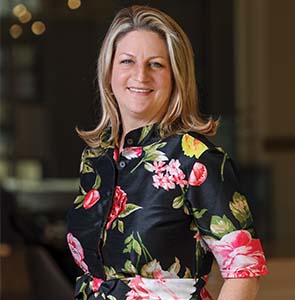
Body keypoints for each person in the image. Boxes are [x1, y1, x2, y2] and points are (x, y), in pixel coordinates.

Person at [66, 5, 268, 300]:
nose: (140, 75)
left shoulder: (197, 157)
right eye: (127, 61)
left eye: (156, 64)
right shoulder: (96, 158)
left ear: (176, 76)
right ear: (108, 71)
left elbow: (244, 272)